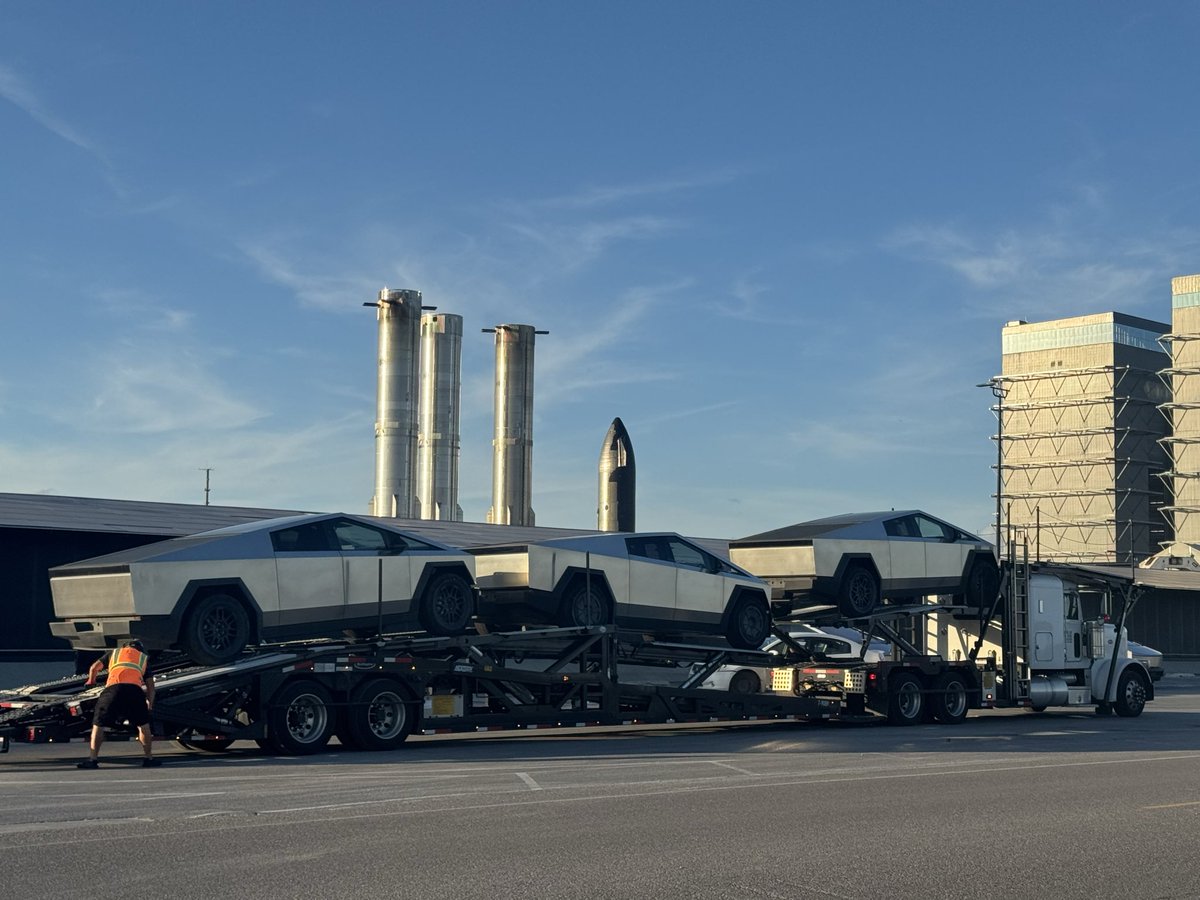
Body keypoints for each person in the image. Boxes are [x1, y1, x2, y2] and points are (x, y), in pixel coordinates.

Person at [76, 640, 160, 769]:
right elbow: (151, 687)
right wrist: (149, 704)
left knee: (98, 724)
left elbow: (94, 668)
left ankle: (92, 760)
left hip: (112, 690)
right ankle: (148, 758)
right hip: (134, 691)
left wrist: (90, 682)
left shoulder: (114, 653)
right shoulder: (143, 658)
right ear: (140, 649)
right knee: (143, 725)